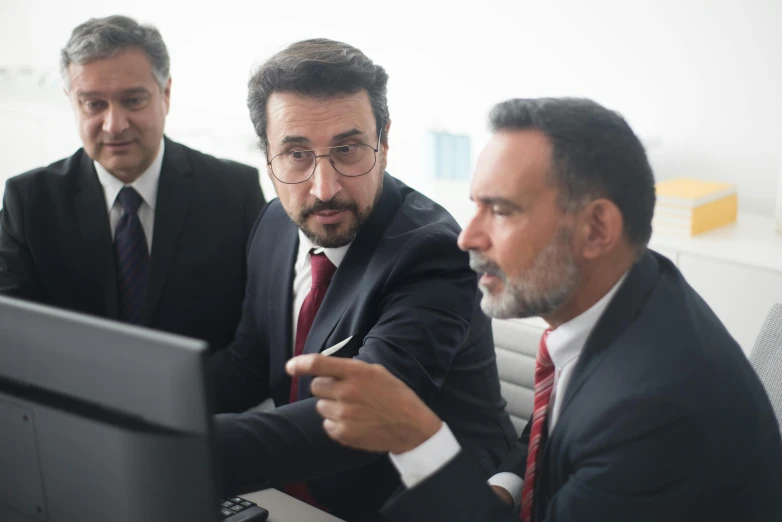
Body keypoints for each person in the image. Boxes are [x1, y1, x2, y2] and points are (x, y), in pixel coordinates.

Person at [288, 97, 782, 521]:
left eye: (500, 211)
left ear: (596, 230)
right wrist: (505, 484)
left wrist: (418, 439)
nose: (467, 237)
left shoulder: (652, 411)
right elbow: (561, 420)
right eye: (475, 206)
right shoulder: (633, 285)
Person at [208, 38, 516, 520]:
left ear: (385, 142)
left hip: (414, 502)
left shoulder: (433, 251)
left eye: (347, 150)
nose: (324, 187)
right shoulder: (273, 224)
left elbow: (359, 416)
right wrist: (145, 408)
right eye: (296, 155)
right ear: (267, 158)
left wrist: (176, 445)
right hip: (289, 494)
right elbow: (247, 364)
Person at [0, 15, 265, 352]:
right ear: (72, 102)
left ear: (165, 94)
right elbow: (11, 339)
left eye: (133, 100)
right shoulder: (29, 202)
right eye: (94, 104)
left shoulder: (234, 192)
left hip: (205, 401)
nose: (114, 125)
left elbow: (255, 342)